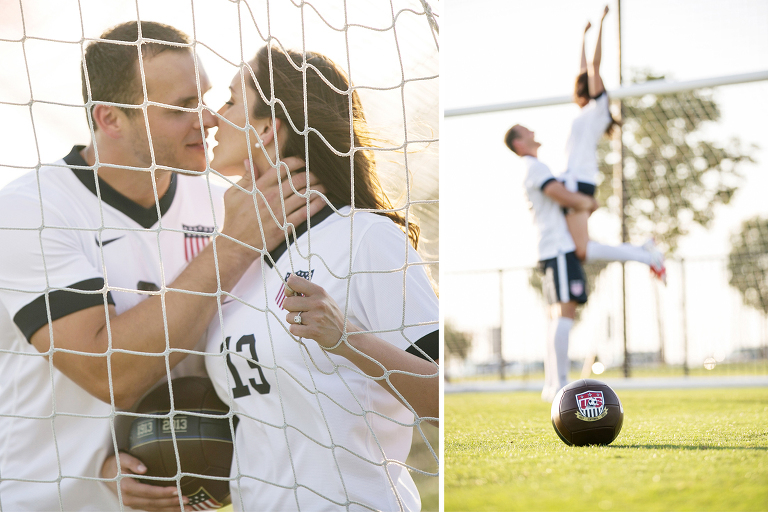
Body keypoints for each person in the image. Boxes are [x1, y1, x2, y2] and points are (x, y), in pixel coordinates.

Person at [0, 22, 323, 511]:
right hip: (52, 499)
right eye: (181, 108)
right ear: (110, 119)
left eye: (206, 99)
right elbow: (109, 374)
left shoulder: (227, 206)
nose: (210, 120)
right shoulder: (32, 212)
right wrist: (232, 246)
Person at [194, 45, 437, 511]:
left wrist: (345, 339)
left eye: (229, 101)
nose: (212, 118)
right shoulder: (234, 260)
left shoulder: (365, 238)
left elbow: (442, 402)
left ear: (267, 128)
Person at [504, 124, 664, 402]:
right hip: (558, 249)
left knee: (557, 317)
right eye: (525, 131)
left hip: (551, 249)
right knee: (564, 315)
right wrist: (588, 202)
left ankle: (553, 384)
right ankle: (560, 384)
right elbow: (559, 194)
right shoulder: (534, 167)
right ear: (519, 143)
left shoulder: (531, 168)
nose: (532, 131)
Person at [560, 6, 667, 283]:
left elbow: (594, 66)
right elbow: (583, 68)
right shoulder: (586, 110)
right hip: (573, 180)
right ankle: (644, 252)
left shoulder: (599, 107)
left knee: (581, 249)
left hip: (577, 181)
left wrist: (602, 23)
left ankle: (647, 255)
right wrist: (583, 37)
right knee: (581, 249)